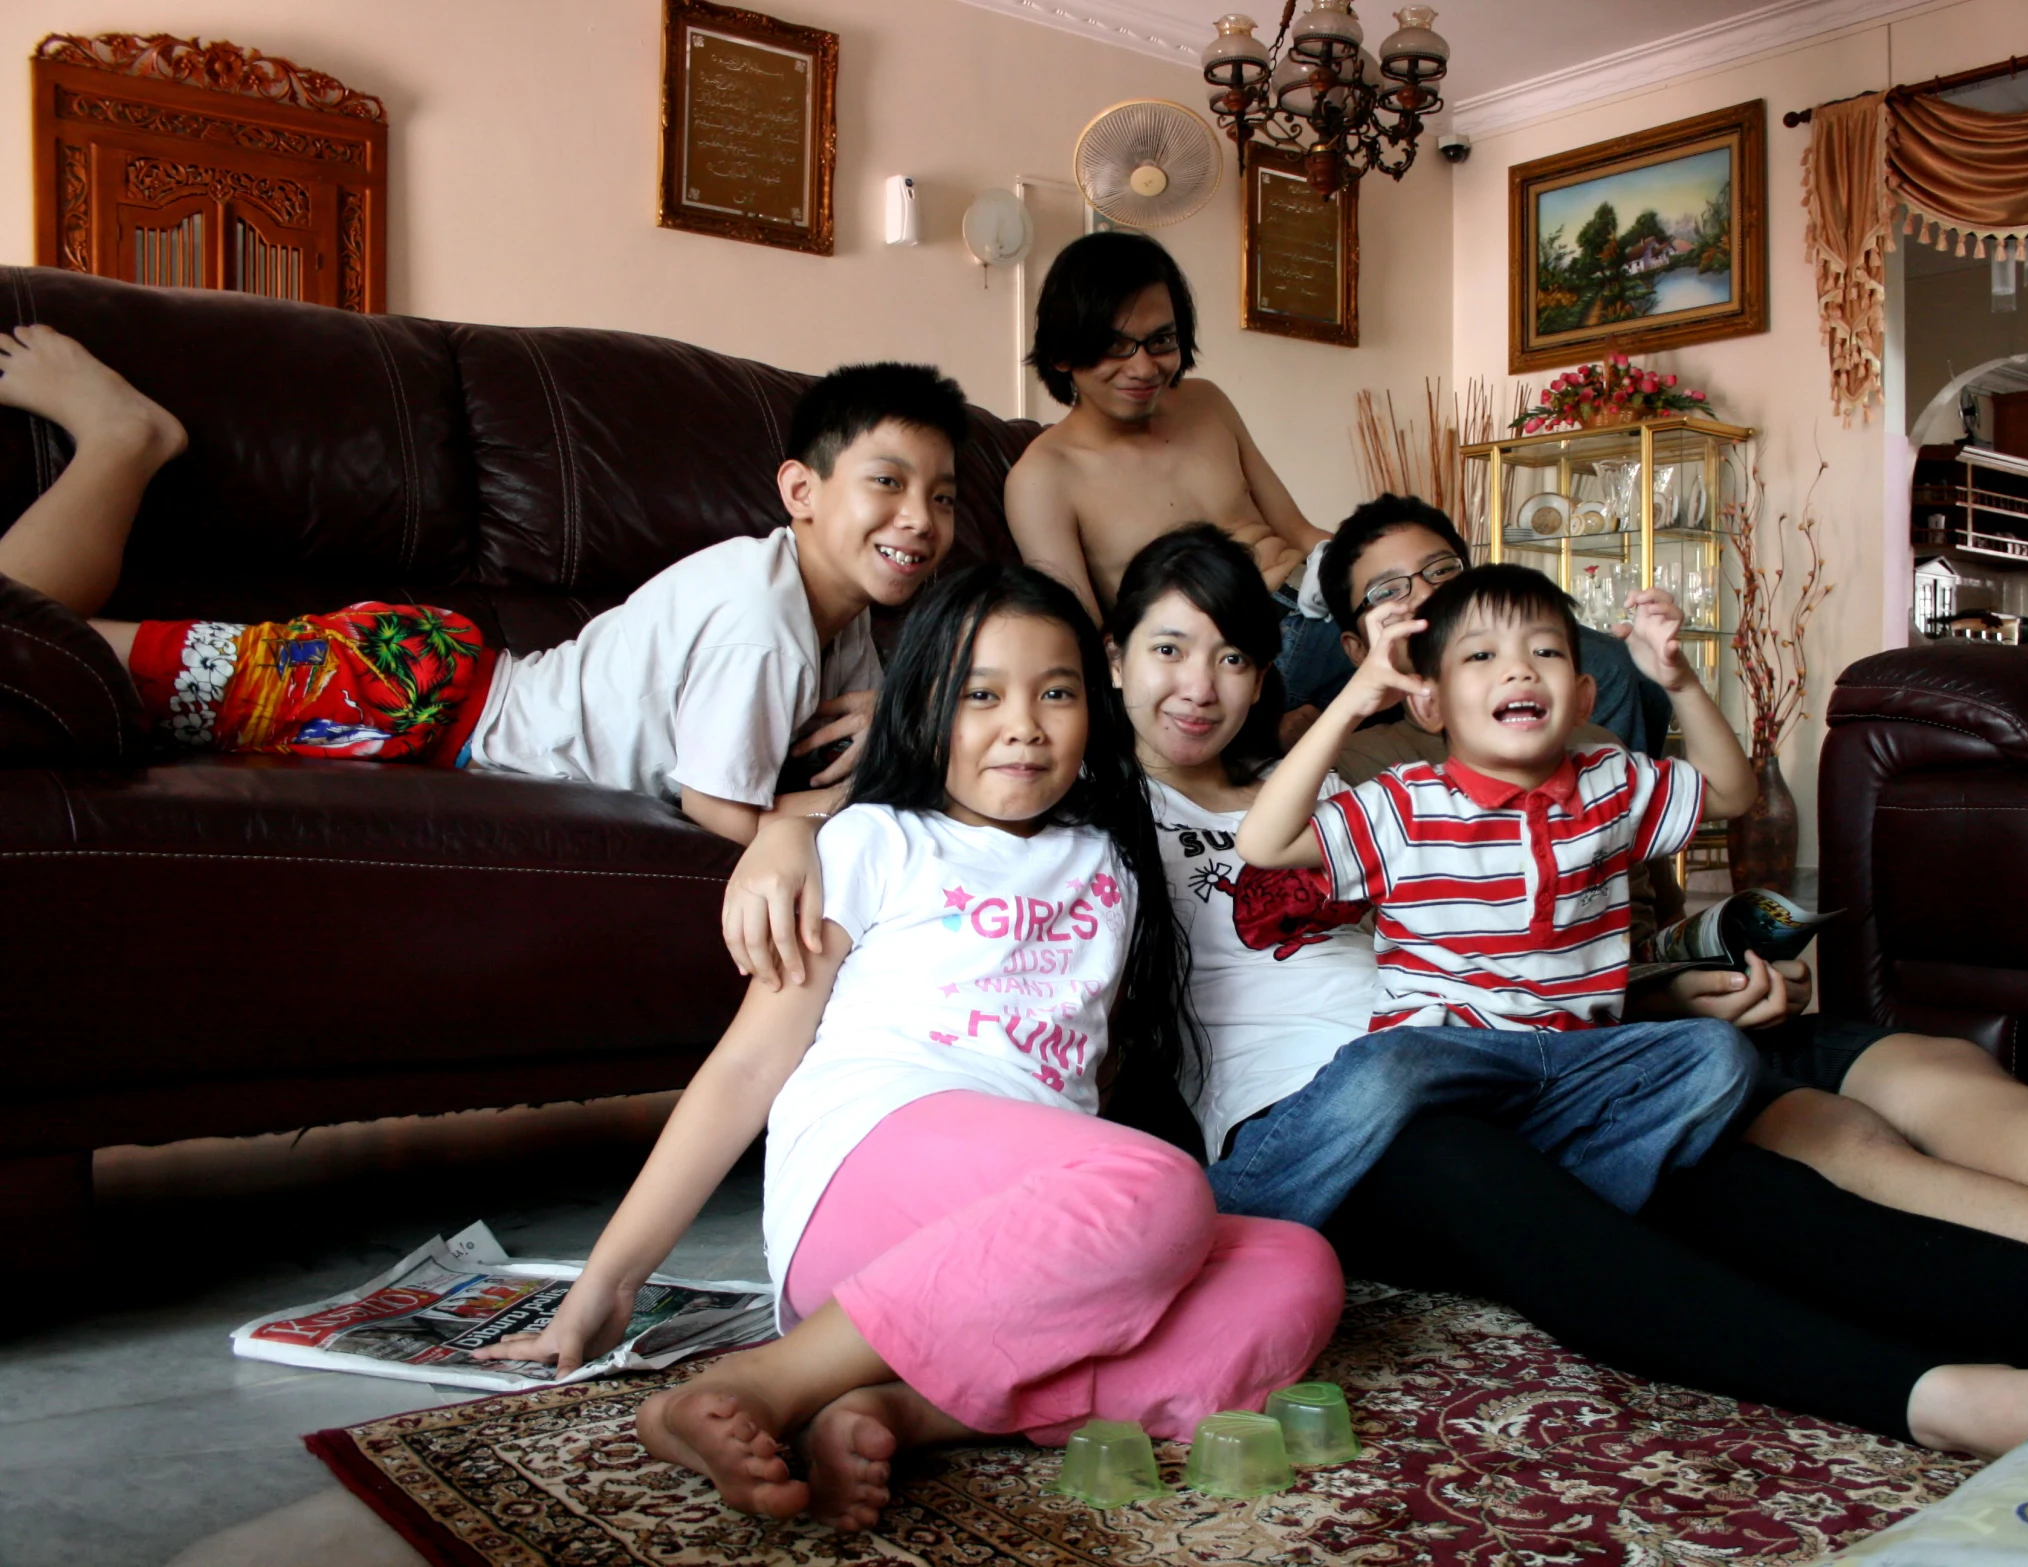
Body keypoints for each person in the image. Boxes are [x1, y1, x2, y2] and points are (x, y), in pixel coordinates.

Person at [1105, 526, 2028, 1458]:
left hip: (1552, 1059)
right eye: (1165, 649)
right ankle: (1926, 1393)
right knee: (1553, 1180)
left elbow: (1558, 945)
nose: (1198, 682)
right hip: (1353, 1115)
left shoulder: (1448, 771)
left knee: (1764, 1155)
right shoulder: (1120, 813)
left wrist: (1671, 990)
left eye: (1228, 652)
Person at [479, 563, 1342, 1526]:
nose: (1023, 724)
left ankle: (897, 1407)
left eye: (1056, 692)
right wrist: (608, 1283)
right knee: (1160, 1189)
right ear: (924, 703)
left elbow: (1085, 1082)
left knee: (1294, 1269)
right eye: (982, 694)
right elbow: (746, 1066)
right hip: (869, 1191)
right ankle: (767, 1380)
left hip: (1025, 1247)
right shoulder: (872, 841)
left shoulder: (1110, 860)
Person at [1313, 488, 2028, 1282]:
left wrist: (1704, 965)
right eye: (1392, 593)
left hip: (1650, 1016)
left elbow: (1634, 904)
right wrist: (1659, 1001)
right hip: (1570, 1073)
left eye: (1445, 570)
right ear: (1363, 646)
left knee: (1924, 1068)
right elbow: (1445, 998)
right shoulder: (1358, 787)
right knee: (1847, 1139)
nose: (1432, 601)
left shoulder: (1569, 735)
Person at [0, 326, 953, 847]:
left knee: (54, 654)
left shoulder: (842, 623)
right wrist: (861, 806)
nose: (920, 517)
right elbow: (721, 813)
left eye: (944, 497)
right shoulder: (763, 617)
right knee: (41, 655)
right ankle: (121, 440)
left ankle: (123, 445)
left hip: (431, 677)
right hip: (406, 696)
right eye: (887, 482)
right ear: (801, 490)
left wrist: (897, 720)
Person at [1218, 562, 1757, 1227]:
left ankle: (1561, 1212)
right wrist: (1357, 695)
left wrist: (1678, 681)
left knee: (1716, 1055)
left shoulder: (1610, 782)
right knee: (1384, 1069)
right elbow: (1263, 844)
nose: (1520, 669)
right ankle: (1229, 1208)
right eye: (1481, 655)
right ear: (1430, 703)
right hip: (1449, 1060)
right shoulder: (1405, 802)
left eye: (1546, 651)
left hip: (1575, 1058)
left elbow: (1733, 794)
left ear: (1583, 697)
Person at [1001, 232, 1348, 714]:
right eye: (1116, 346)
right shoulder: (1043, 478)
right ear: (1063, 353)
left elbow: (1300, 530)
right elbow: (1080, 639)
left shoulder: (1206, 401)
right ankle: (1280, 727)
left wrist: (1377, 577)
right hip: (1233, 660)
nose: (1144, 367)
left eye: (1161, 341)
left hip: (1317, 597)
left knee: (1453, 606)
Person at [1312, 494, 1671, 776]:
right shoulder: (1363, 758)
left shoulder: (1591, 723)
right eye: (1388, 592)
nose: (1427, 594)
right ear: (1357, 650)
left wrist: (1678, 680)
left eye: (1441, 570)